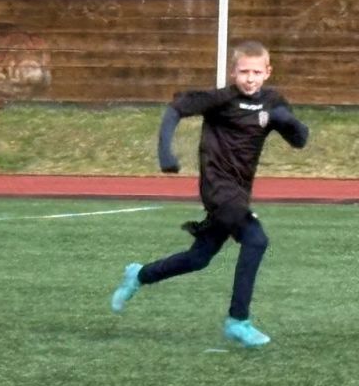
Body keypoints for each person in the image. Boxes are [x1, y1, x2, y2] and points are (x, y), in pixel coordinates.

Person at [110, 39, 309, 347]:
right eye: (244, 72)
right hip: (217, 187)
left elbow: (300, 140)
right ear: (233, 72)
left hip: (239, 192)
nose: (250, 78)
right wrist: (165, 153)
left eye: (257, 72)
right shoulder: (220, 99)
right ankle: (238, 321)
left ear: (268, 72)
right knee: (256, 239)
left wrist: (288, 121)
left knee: (199, 258)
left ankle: (139, 275)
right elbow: (175, 109)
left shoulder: (273, 102)